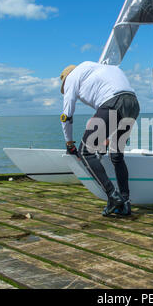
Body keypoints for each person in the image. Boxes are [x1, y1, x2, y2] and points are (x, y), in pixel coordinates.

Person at [60, 61, 140, 217]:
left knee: (85, 152)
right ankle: (125, 203)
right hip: (133, 104)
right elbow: (115, 97)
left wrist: (69, 143)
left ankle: (113, 196)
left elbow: (66, 115)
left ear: (66, 78)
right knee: (116, 155)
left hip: (112, 104)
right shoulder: (98, 69)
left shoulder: (71, 77)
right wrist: (108, 137)